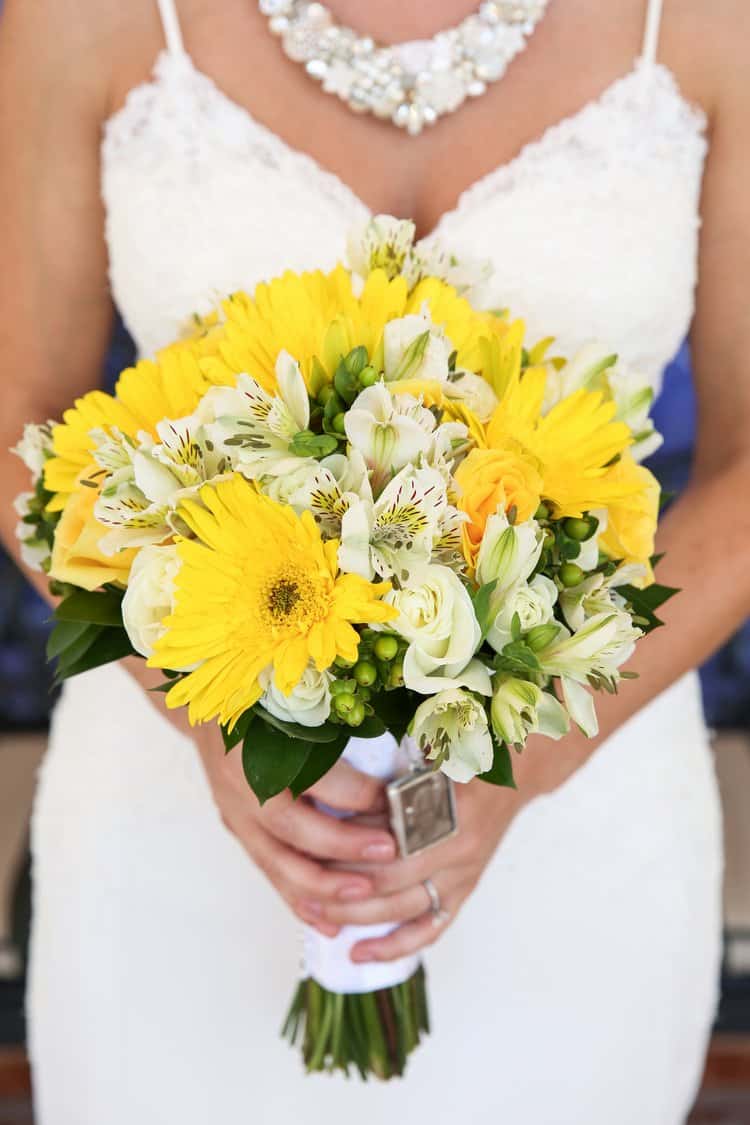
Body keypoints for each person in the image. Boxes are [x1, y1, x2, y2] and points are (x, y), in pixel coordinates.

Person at [0, 0, 747, 1121]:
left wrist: (517, 769)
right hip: (177, 817)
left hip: (581, 817)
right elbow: (21, 415)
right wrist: (205, 708)